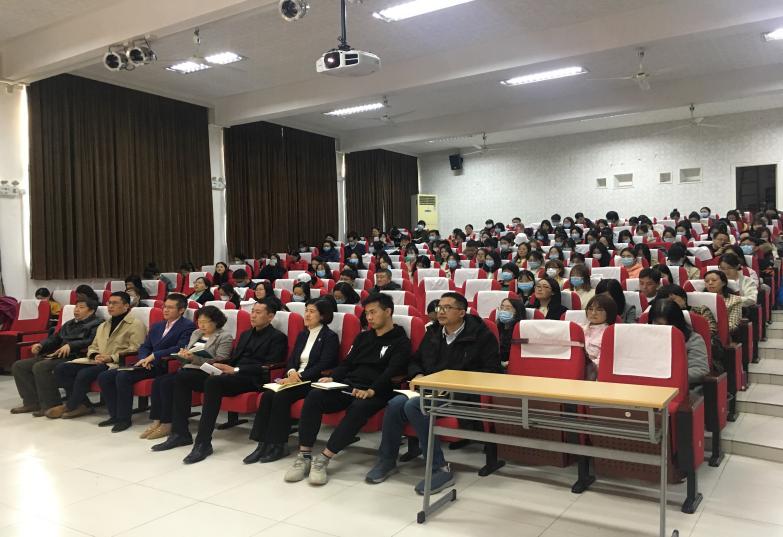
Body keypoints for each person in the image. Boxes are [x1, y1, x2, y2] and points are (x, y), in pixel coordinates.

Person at [365, 292, 499, 491]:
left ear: (461, 312)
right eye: (439, 307)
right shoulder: (434, 332)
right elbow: (416, 360)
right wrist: (418, 374)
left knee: (414, 405)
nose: (441, 312)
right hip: (430, 390)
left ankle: (440, 468)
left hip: (461, 394)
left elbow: (491, 371)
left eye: (447, 308)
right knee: (394, 404)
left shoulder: (482, 336)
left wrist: (452, 384)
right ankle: (387, 460)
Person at [284, 293, 411, 486]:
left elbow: (391, 372)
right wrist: (333, 377)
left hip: (377, 390)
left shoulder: (401, 341)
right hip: (349, 384)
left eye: (373, 312)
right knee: (315, 395)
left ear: (388, 312)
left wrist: (372, 390)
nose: (369, 317)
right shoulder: (363, 337)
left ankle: (324, 458)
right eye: (366, 313)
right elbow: (347, 363)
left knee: (358, 408)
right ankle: (304, 455)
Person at [152, 298, 287, 463]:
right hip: (231, 374)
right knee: (182, 377)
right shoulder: (246, 334)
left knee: (213, 382)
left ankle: (203, 443)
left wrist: (235, 370)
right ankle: (180, 433)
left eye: (258, 313)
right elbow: (234, 358)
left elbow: (269, 366)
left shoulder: (278, 337)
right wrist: (221, 366)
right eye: (252, 311)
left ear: (270, 316)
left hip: (252, 379)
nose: (252, 315)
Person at [244, 299, 340, 464]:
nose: (307, 315)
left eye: (312, 311)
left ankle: (279, 444)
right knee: (268, 395)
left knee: (281, 396)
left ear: (323, 316)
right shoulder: (303, 334)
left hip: (312, 381)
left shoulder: (329, 336)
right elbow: (292, 360)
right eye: (306, 310)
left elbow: (325, 363)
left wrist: (299, 377)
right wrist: (291, 372)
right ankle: (262, 444)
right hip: (294, 378)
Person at [98, 294, 195, 433]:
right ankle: (115, 415)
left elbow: (180, 348)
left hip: (164, 365)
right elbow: (145, 346)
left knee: (123, 376)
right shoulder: (158, 326)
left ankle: (124, 419)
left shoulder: (187, 326)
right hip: (146, 363)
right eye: (164, 306)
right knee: (105, 376)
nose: (165, 310)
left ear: (181, 310)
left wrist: (154, 356)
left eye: (170, 307)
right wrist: (144, 358)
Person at [48, 292, 146, 419]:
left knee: (84, 374)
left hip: (116, 362)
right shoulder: (104, 325)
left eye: (115, 303)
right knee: (61, 369)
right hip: (97, 360)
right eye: (109, 303)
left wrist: (111, 357)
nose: (110, 306)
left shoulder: (135, 324)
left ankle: (70, 405)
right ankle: (82, 404)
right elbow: (93, 346)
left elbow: (136, 349)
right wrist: (95, 355)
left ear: (126, 306)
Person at [143, 305, 234, 441]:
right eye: (199, 321)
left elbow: (221, 360)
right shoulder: (196, 333)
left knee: (171, 382)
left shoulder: (224, 336)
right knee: (160, 381)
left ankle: (168, 423)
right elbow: (188, 352)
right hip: (187, 369)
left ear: (216, 321)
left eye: (205, 322)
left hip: (206, 373)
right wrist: (183, 355)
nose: (201, 325)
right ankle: (157, 421)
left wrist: (193, 358)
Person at [11, 297, 101, 416]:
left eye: (81, 307)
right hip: (58, 355)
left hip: (77, 356)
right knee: (19, 366)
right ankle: (32, 402)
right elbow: (55, 339)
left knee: (41, 367)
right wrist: (41, 345)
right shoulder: (69, 323)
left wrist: (71, 345)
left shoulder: (97, 324)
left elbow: (92, 342)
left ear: (91, 311)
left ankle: (51, 405)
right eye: (76, 307)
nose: (76, 310)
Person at [648, 299, 710, 384]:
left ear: (677, 323)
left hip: (680, 386)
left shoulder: (693, 339)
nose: (663, 329)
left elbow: (700, 370)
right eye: (658, 324)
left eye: (668, 325)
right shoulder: (643, 335)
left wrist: (668, 378)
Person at [581, 294, 618, 380]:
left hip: (594, 375)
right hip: (574, 367)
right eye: (590, 309)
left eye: (599, 310)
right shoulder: (578, 329)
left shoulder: (610, 333)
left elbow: (604, 361)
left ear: (609, 312)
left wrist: (584, 366)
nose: (593, 313)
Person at [496, 297, 526, 366]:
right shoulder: (498, 327)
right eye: (502, 307)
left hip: (513, 364)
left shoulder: (522, 330)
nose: (503, 311)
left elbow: (521, 348)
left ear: (517, 312)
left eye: (508, 308)